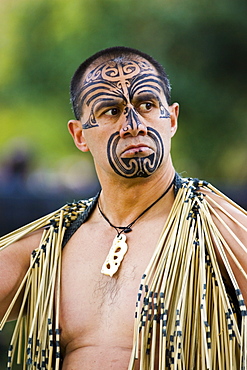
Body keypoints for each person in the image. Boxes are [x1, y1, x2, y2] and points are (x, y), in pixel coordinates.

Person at [0, 46, 246, 370]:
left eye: (147, 105)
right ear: (79, 135)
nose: (133, 124)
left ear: (171, 119)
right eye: (110, 111)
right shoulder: (51, 246)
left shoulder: (220, 228)